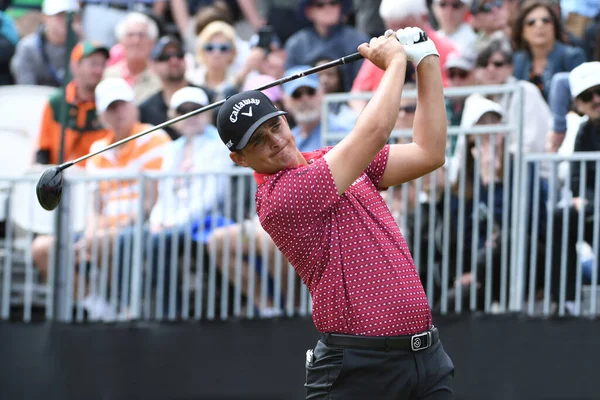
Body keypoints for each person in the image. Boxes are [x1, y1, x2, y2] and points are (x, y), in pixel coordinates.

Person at [216, 27, 454, 398]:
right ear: (239, 158)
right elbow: (373, 131)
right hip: (359, 369)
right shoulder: (281, 197)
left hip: (426, 359)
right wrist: (393, 64)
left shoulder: (330, 158)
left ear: (285, 118)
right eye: (257, 141)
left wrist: (425, 60)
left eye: (274, 126)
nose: (276, 141)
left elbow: (429, 152)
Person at [550, 61, 600, 311]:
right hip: (594, 209)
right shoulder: (583, 131)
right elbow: (578, 177)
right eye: (586, 95)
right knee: (561, 218)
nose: (596, 99)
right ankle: (566, 299)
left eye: (599, 91)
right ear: (578, 104)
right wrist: (583, 198)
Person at [35, 41, 111, 166]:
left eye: (102, 65)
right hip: (60, 179)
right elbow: (43, 148)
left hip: (97, 178)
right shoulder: (57, 102)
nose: (99, 70)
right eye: (93, 64)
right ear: (75, 66)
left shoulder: (109, 103)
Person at [10, 0, 81, 87]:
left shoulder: (83, 48)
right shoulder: (27, 47)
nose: (66, 21)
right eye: (60, 15)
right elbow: (26, 89)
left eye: (70, 16)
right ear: (45, 17)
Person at [102, 11, 161, 104]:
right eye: (130, 35)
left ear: (153, 42)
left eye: (142, 35)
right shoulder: (107, 75)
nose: (136, 41)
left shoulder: (161, 77)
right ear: (120, 41)